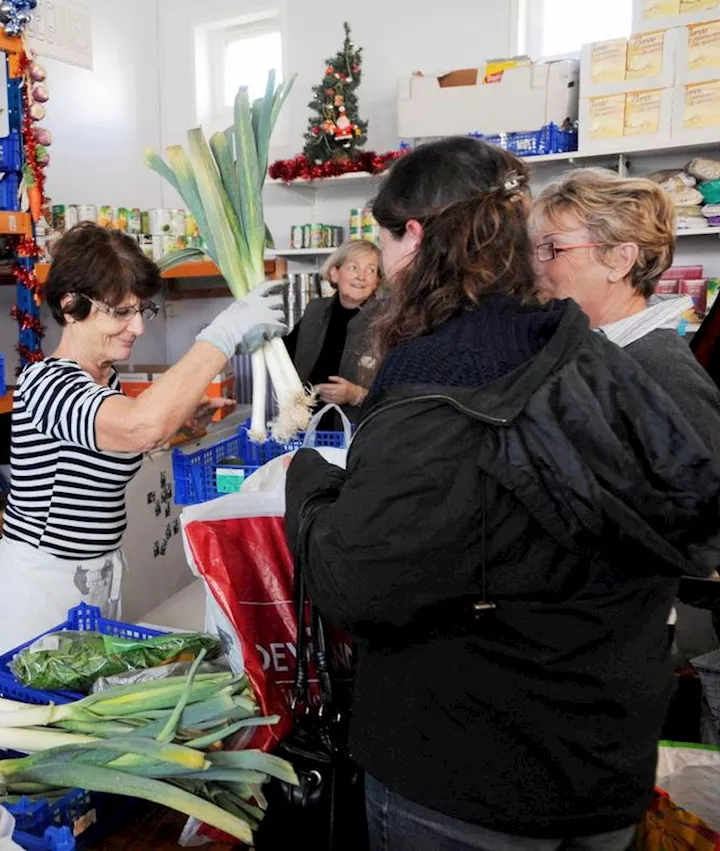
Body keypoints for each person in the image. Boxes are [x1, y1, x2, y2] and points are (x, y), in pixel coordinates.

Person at [282, 137, 720, 851]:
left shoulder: (439, 375)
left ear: (414, 238)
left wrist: (310, 482)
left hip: (470, 772)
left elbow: (357, 579)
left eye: (385, 241)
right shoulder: (586, 352)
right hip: (600, 760)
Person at [0, 222, 288, 652]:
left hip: (94, 580)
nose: (138, 327)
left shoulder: (103, 383)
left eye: (140, 311)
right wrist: (220, 336)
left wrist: (182, 418)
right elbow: (138, 427)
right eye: (120, 312)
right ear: (71, 307)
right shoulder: (46, 383)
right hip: (42, 591)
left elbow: (114, 444)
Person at [531, 168, 720, 454]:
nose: (535, 266)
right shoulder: (595, 350)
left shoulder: (660, 372)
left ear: (620, 260)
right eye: (534, 250)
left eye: (552, 249)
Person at [283, 239, 382, 422]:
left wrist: (356, 394)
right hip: (305, 426)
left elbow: (399, 390)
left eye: (371, 270)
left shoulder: (386, 322)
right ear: (334, 273)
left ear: (377, 281)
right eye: (353, 267)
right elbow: (285, 353)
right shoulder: (315, 311)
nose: (361, 277)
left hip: (358, 429)